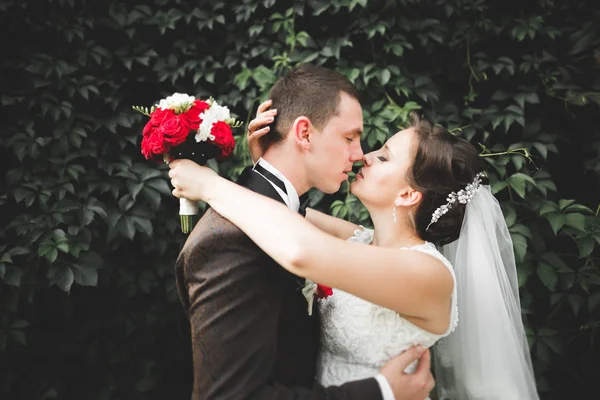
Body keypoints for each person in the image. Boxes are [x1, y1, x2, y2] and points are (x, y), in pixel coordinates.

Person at [170, 101, 540, 398]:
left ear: (409, 194)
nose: (365, 156)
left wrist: (208, 184)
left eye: (384, 157)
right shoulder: (360, 239)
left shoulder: (430, 275)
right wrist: (269, 165)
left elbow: (301, 250)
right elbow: (283, 211)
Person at [173, 64, 434, 400]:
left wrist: (231, 178)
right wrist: (380, 391)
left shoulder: (280, 216)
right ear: (305, 134)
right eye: (349, 137)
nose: (359, 155)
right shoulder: (231, 242)